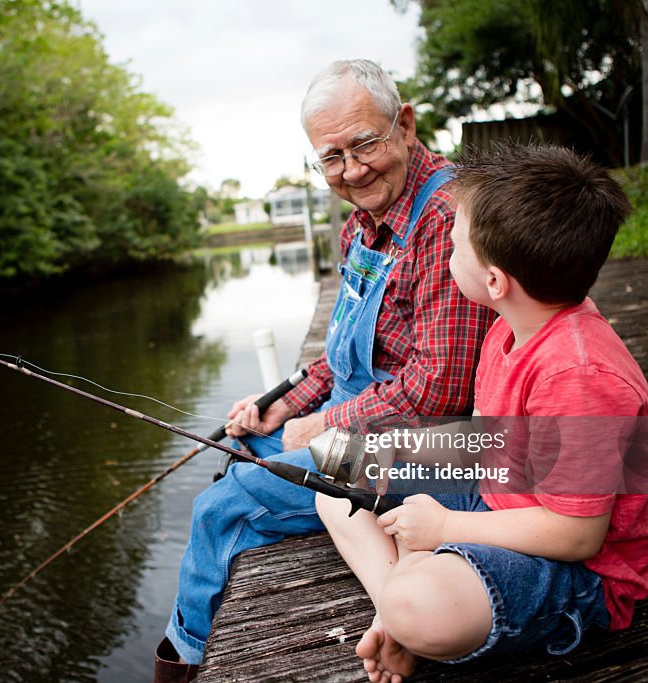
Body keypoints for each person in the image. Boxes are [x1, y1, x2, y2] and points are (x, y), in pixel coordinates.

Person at [154, 59, 493, 681]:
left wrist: (322, 425)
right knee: (242, 440)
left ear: (406, 124)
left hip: (422, 443)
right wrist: (284, 402)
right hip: (364, 418)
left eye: (364, 143)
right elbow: (338, 350)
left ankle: (184, 660)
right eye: (331, 157)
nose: (353, 169)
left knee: (217, 509)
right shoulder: (360, 224)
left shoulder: (444, 219)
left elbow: (438, 390)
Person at [316, 143, 648, 682]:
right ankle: (394, 604)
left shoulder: (579, 377)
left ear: (496, 281)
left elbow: (578, 535)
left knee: (419, 606)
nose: (446, 253)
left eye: (454, 246)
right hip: (499, 496)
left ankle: (402, 609)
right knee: (337, 471)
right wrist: (400, 452)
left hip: (576, 568)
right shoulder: (509, 325)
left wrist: (444, 525)